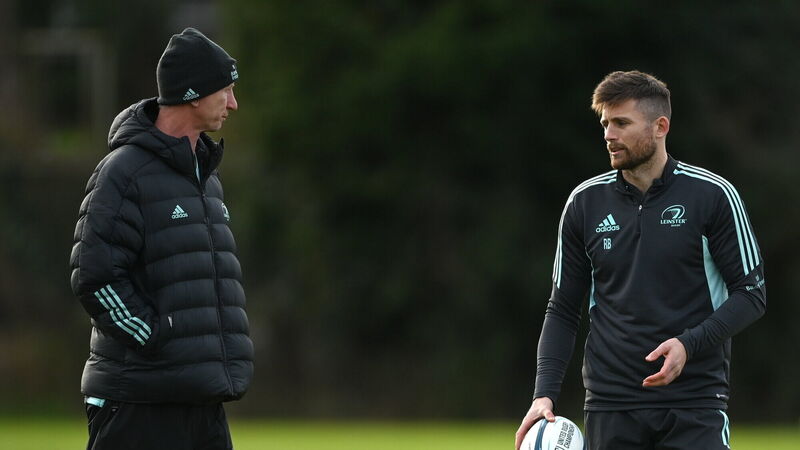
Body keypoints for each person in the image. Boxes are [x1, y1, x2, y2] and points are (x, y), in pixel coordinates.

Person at [514, 70, 766, 450]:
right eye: (605, 124)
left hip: (694, 404)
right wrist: (544, 394)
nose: (608, 135)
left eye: (621, 123)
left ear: (660, 126)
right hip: (610, 406)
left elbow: (751, 294)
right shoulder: (584, 203)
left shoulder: (713, 196)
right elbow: (562, 309)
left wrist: (688, 344)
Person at [69, 27, 253, 450]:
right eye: (225, 90)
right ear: (193, 94)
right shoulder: (122, 172)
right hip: (140, 403)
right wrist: (154, 336)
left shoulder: (207, 177)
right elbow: (93, 276)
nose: (233, 103)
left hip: (202, 402)